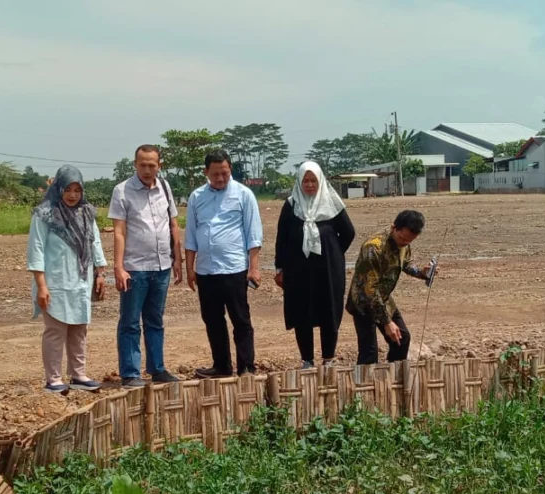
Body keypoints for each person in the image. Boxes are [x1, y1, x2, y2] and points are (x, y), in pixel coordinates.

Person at [27, 165, 107, 395]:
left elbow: (95, 243)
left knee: (79, 329)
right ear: (58, 189)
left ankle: (78, 375)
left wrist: (100, 274)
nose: (72, 195)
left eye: (77, 190)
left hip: (81, 281)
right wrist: (41, 285)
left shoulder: (87, 213)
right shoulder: (44, 214)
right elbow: (37, 249)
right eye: (68, 189)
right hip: (55, 282)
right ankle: (53, 379)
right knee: (55, 330)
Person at [108, 145, 183, 389]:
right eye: (143, 165)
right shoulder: (122, 191)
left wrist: (178, 259)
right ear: (135, 164)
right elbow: (119, 232)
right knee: (130, 322)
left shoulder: (165, 187)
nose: (148, 169)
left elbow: (173, 225)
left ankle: (157, 368)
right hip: (135, 267)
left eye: (152, 165)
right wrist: (118, 267)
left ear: (159, 165)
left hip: (162, 266)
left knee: (155, 320)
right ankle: (130, 373)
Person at [185, 150, 263, 378]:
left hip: (234, 269)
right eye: (215, 174)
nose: (220, 178)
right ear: (206, 172)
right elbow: (191, 235)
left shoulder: (243, 194)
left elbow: (253, 234)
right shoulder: (196, 197)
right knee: (212, 320)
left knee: (240, 319)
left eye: (225, 173)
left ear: (230, 170)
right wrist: (190, 269)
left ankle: (246, 366)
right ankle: (221, 366)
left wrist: (254, 268)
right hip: (206, 271)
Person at [274, 162, 356, 368]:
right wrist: (280, 268)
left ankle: (328, 357)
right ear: (299, 182)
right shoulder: (291, 205)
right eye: (305, 181)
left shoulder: (332, 203)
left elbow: (348, 232)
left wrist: (334, 253)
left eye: (313, 181)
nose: (309, 185)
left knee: (328, 310)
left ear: (320, 181)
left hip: (328, 270)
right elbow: (281, 238)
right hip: (298, 271)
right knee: (302, 311)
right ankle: (307, 359)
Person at [346, 209, 434, 365]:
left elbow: (405, 262)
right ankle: (363, 388)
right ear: (394, 228)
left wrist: (421, 273)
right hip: (363, 301)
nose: (404, 244)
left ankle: (392, 378)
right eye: (402, 239)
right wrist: (387, 322)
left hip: (383, 298)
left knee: (402, 338)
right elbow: (370, 291)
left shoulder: (404, 243)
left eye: (408, 241)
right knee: (369, 351)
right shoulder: (373, 248)